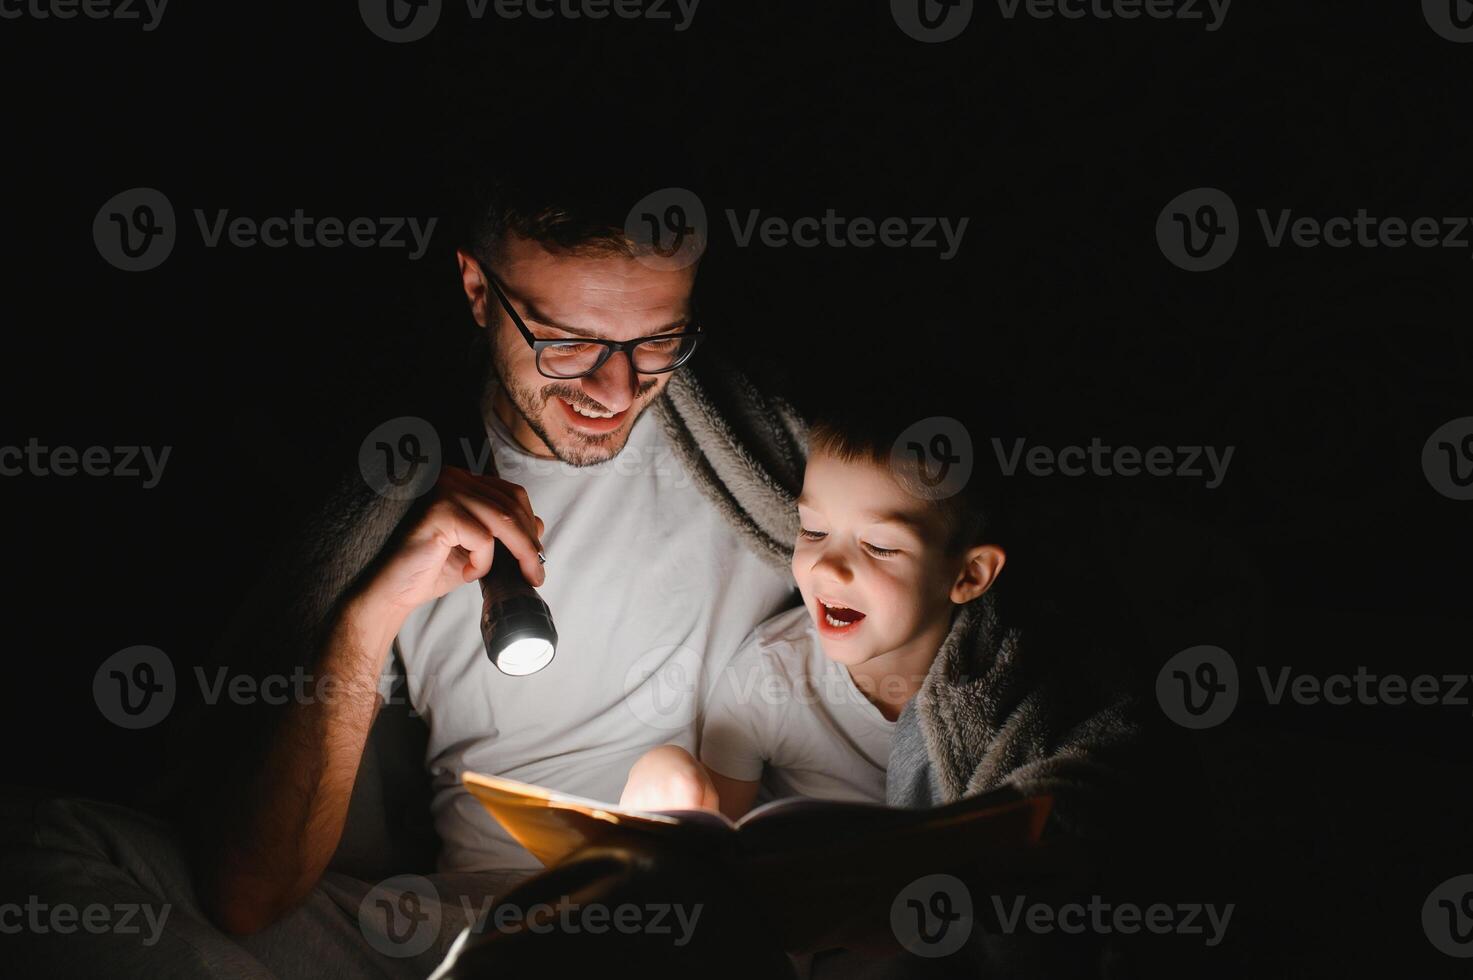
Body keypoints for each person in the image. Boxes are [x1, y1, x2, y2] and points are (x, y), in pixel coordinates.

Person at [2, 148, 813, 978]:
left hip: (708, 915)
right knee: (38, 849)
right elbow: (251, 893)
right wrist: (366, 619)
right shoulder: (394, 495)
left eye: (657, 341)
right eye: (567, 344)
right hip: (478, 919)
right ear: (475, 290)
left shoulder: (772, 463)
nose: (614, 388)